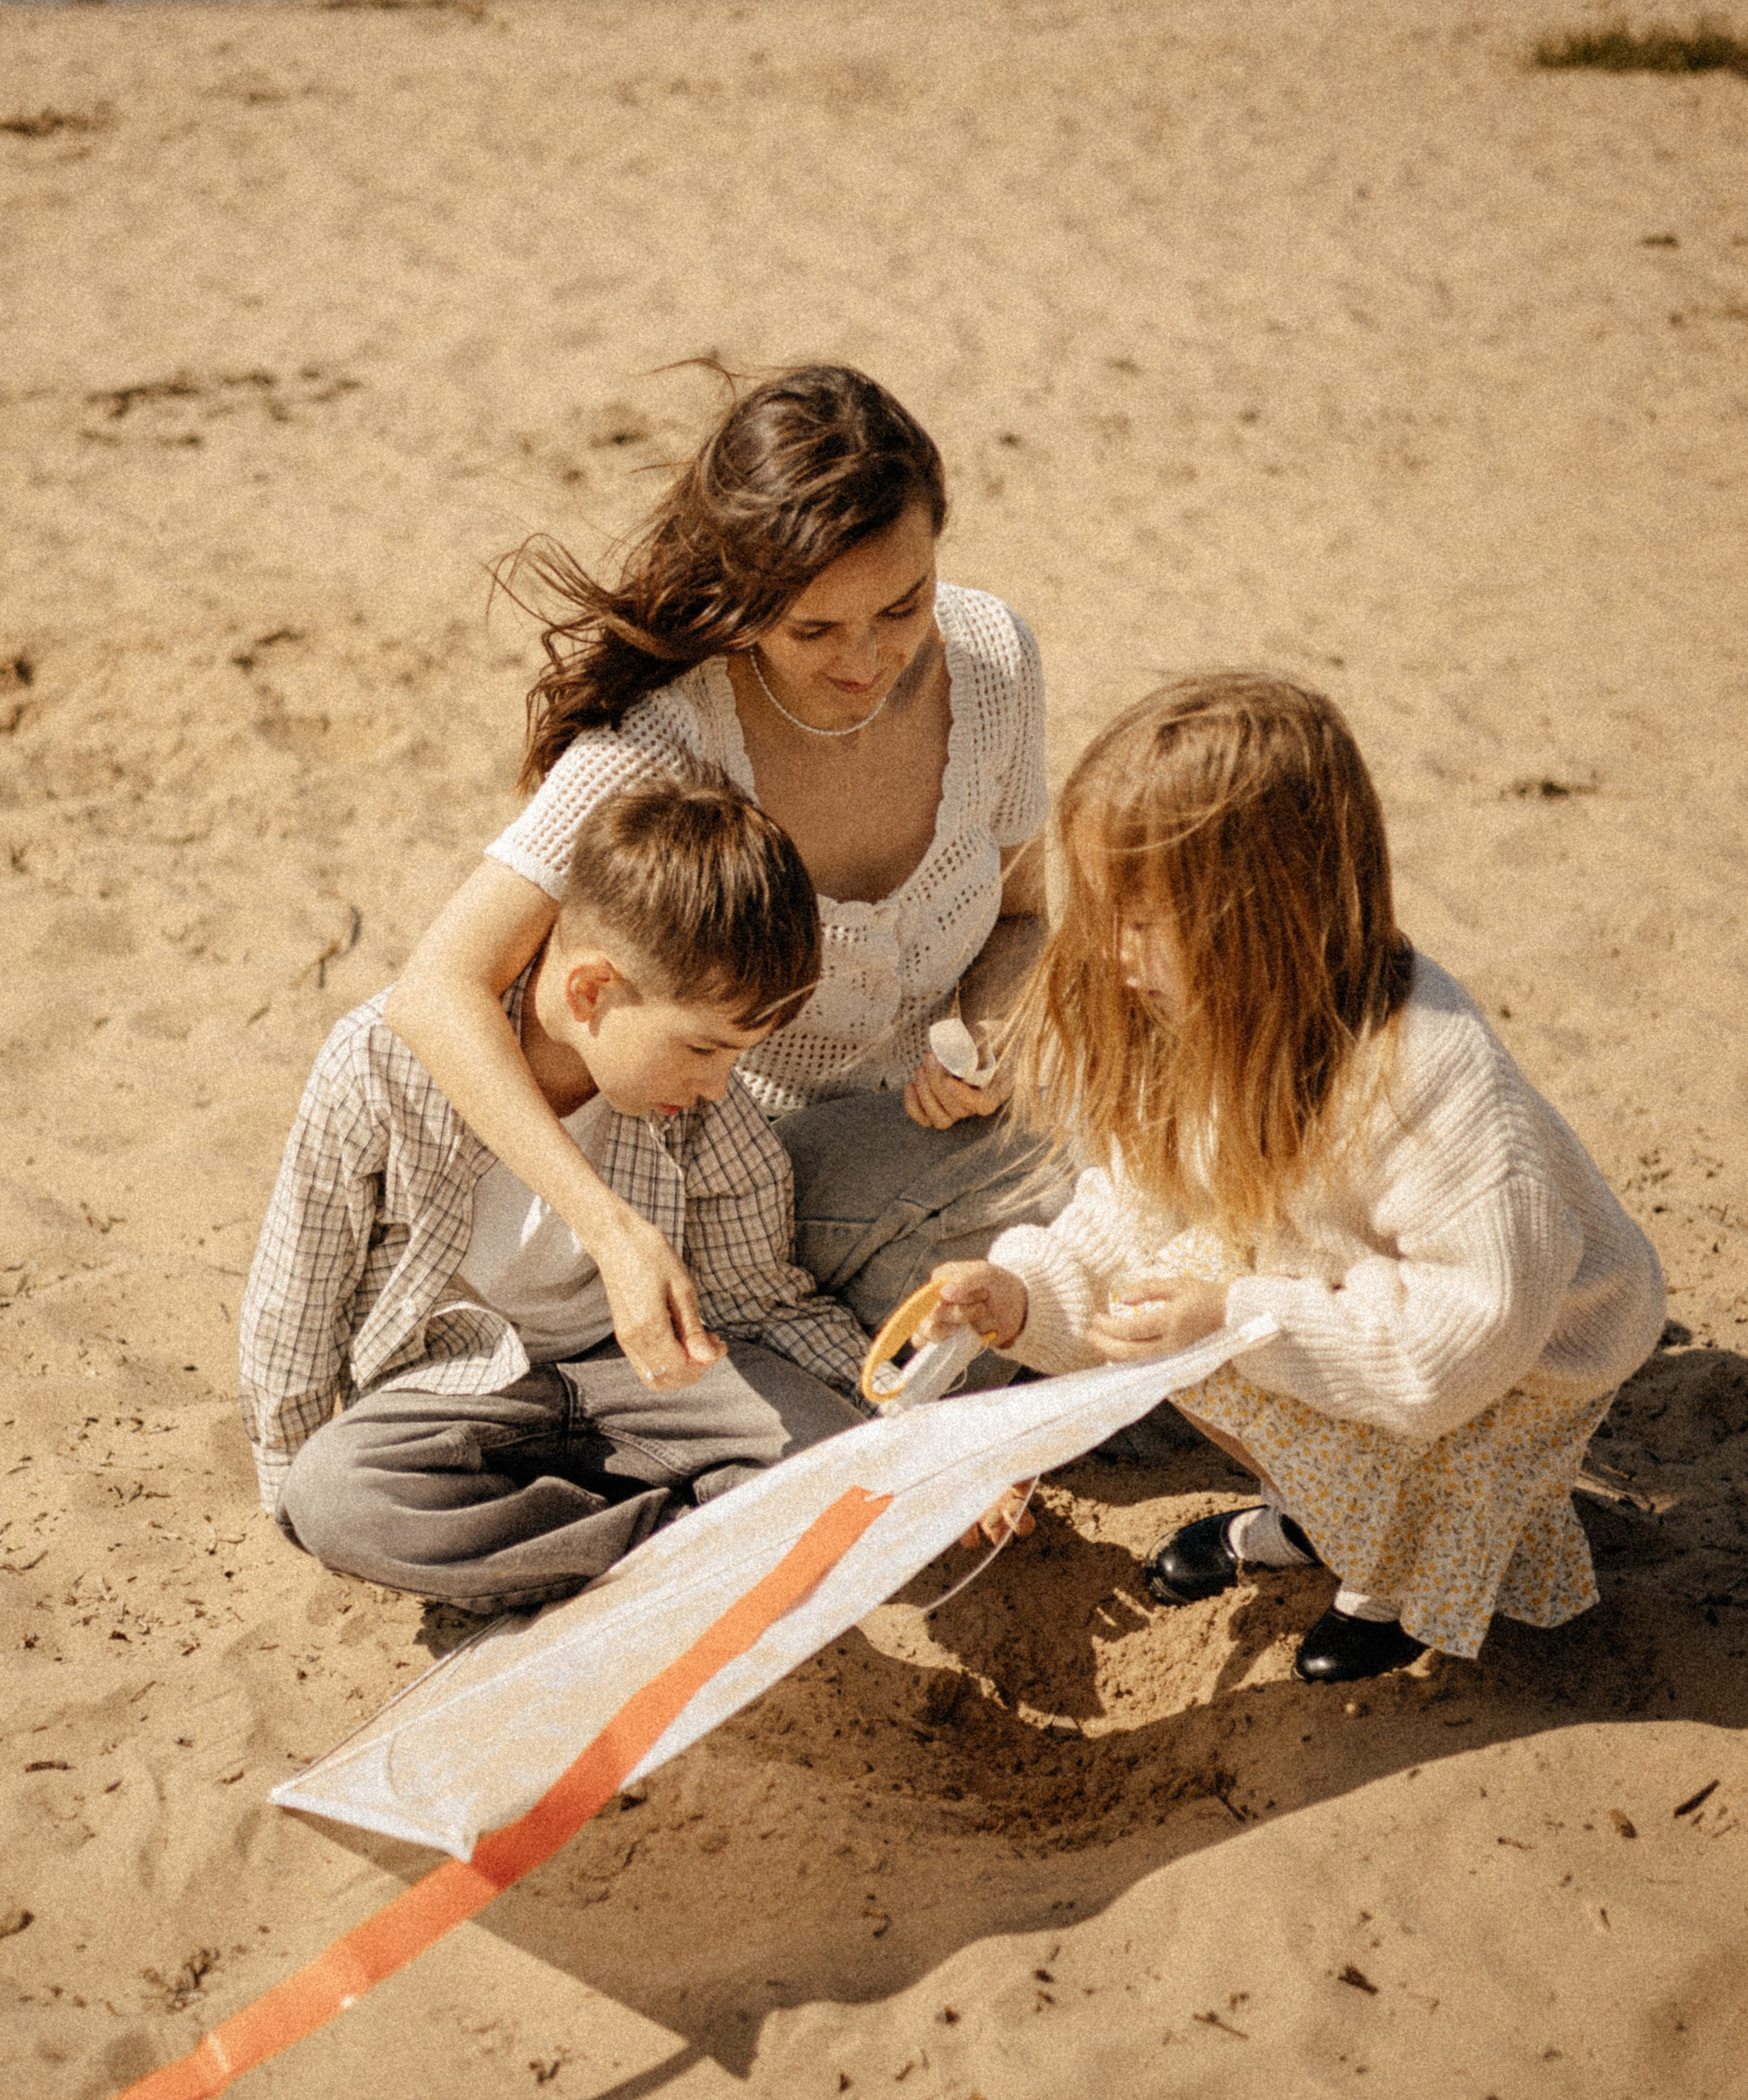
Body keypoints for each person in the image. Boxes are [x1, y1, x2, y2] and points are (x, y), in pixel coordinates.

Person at [920, 675, 1665, 1686]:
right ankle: (1320, 1514)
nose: (1109, 951)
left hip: (1525, 1352)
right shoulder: (1202, 1014)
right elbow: (1133, 1214)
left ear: (1267, 915)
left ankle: (1392, 1574)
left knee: (1222, 1341)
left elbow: (1466, 1336)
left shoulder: (1425, 1075)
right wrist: (1022, 1298)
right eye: (1104, 914)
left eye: (1142, 922)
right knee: (1169, 1312)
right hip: (1338, 1278)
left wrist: (1237, 1316)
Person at [383, 363, 1066, 1397]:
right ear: (747, 601)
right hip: (720, 1163)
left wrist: (994, 1041)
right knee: (1074, 1205)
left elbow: (1020, 916)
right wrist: (608, 1227)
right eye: (812, 629)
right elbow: (435, 990)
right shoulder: (668, 735)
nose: (866, 660)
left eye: (902, 604)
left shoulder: (991, 663)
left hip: (918, 1134)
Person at [239, 776, 871, 1617]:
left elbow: (760, 1300)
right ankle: (665, 1546)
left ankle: (644, 1541)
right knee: (337, 1497)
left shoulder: (701, 1108)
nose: (721, 1084)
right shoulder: (376, 1065)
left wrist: (905, 1430)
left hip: (645, 1381)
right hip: (453, 1392)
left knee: (840, 1451)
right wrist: (287, 1481)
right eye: (701, 1048)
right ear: (590, 990)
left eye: (735, 1057)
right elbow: (297, 1296)